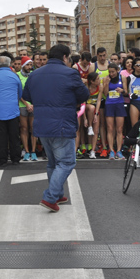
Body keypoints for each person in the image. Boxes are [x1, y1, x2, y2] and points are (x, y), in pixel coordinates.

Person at [22, 44, 90, 212]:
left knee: (53, 162)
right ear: (65, 57)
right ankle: (50, 196)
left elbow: (26, 95)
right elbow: (84, 95)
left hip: (42, 122)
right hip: (62, 122)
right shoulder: (70, 73)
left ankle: (57, 194)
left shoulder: (35, 74)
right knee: (66, 162)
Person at [0, 54, 22, 166]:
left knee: (1, 136)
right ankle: (15, 158)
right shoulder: (14, 76)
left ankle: (2, 159)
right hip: (12, 110)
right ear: (10, 64)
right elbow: (20, 93)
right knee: (14, 135)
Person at [96, 63, 127, 159]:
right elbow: (105, 93)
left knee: (119, 129)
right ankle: (111, 150)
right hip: (109, 104)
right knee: (110, 128)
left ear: (117, 70)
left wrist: (122, 90)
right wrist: (106, 83)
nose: (111, 74)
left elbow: (126, 92)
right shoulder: (106, 78)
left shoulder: (122, 77)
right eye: (110, 72)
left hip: (119, 104)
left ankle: (119, 150)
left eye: (113, 72)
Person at [17, 56, 37, 161]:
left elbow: (37, 90)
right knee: (24, 128)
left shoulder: (34, 74)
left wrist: (32, 104)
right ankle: (26, 151)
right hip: (22, 105)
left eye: (31, 65)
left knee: (33, 128)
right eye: (27, 65)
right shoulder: (17, 75)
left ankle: (33, 151)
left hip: (33, 105)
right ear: (23, 65)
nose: (29, 67)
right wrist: (26, 104)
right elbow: (17, 91)